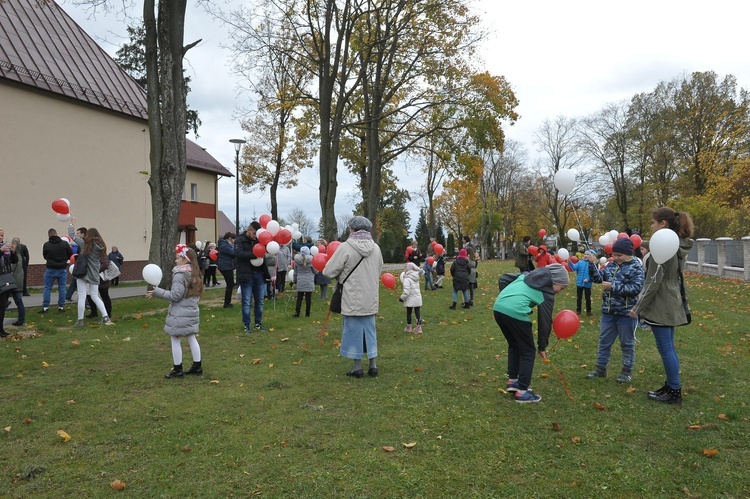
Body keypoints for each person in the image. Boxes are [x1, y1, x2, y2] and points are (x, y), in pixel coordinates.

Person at [635, 207, 694, 404]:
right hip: (670, 299)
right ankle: (671, 386)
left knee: (665, 347)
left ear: (663, 224)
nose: (651, 226)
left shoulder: (663, 247)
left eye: (653, 222)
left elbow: (652, 283)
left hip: (661, 303)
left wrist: (638, 308)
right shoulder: (676, 245)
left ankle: (674, 390)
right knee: (668, 347)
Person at [493, 263, 570, 403]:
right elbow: (545, 321)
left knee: (514, 345)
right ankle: (522, 392)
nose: (559, 291)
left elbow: (503, 278)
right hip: (516, 312)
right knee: (528, 351)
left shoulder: (525, 276)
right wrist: (542, 346)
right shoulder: (546, 292)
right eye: (561, 287)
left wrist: (507, 299)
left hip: (498, 308)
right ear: (554, 282)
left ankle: (513, 381)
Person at [323, 216, 383, 378]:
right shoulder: (376, 248)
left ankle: (357, 367)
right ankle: (373, 365)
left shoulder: (345, 247)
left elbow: (329, 271)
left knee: (353, 331)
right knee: (370, 331)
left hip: (351, 296)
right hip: (370, 296)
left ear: (352, 229)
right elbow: (379, 269)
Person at [585, 238, 645, 384]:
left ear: (628, 254)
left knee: (627, 344)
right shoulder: (611, 265)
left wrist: (613, 287)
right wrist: (592, 265)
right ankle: (600, 369)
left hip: (626, 313)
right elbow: (598, 278)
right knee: (604, 341)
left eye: (619, 255)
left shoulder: (636, 268)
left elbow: (635, 289)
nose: (616, 258)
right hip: (608, 311)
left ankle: (626, 372)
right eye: (614, 255)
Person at [147, 244, 203, 379]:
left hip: (180, 313)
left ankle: (177, 368)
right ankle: (197, 365)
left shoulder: (180, 274)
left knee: (175, 338)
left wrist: (157, 292)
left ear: (185, 259)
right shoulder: (194, 273)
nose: (175, 260)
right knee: (191, 337)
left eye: (178, 257)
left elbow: (175, 295)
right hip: (191, 311)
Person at [69, 223, 113, 326]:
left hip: (83, 273)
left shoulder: (85, 244)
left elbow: (71, 234)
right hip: (94, 273)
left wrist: (71, 223)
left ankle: (80, 320)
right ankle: (105, 317)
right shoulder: (102, 246)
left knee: (82, 296)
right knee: (95, 296)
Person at [235, 222, 271, 332]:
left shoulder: (258, 240)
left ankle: (258, 323)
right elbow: (239, 254)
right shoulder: (240, 240)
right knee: (246, 301)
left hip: (259, 273)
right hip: (246, 273)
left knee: (259, 300)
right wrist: (254, 254)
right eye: (254, 233)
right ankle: (247, 324)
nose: (256, 236)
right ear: (249, 230)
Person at [40, 228, 73, 314]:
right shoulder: (64, 244)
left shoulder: (46, 245)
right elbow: (70, 255)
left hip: (50, 268)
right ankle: (61, 307)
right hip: (62, 268)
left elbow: (45, 256)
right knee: (62, 288)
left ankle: (45, 307)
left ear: (49, 235)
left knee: (47, 288)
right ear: (56, 234)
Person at [85, 255, 115, 319]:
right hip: (93, 279)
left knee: (104, 296)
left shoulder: (102, 255)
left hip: (102, 280)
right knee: (90, 296)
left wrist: (95, 270)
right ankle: (94, 312)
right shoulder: (91, 254)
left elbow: (105, 264)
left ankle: (108, 313)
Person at [0, 238, 19, 338]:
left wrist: (13, 251)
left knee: (3, 306)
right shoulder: (2, 249)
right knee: (1, 304)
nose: (1, 238)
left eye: (2, 235)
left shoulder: (5, 249)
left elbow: (14, 261)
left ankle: (1, 329)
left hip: (5, 279)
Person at [400, 262, 424, 333]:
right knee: (417, 312)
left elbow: (406, 291)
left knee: (409, 312)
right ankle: (419, 328)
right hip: (417, 298)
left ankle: (409, 327)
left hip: (410, 298)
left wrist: (402, 298)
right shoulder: (416, 277)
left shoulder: (407, 279)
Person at [570, 249, 596, 316]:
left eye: (588, 254)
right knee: (579, 298)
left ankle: (589, 311)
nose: (586, 255)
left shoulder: (592, 264)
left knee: (588, 298)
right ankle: (578, 310)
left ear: (590, 256)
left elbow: (593, 275)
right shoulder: (580, 262)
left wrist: (588, 279)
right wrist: (569, 262)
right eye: (585, 254)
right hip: (579, 283)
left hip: (587, 284)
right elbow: (574, 268)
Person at [292, 246, 315, 317]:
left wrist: (294, 280)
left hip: (300, 280)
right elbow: (315, 271)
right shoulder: (312, 261)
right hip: (309, 280)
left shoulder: (297, 261)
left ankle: (297, 313)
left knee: (299, 298)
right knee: (308, 298)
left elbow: (295, 273)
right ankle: (307, 313)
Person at [9, 238, 26, 326]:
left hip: (14, 280)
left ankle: (21, 319)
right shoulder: (20, 255)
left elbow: (12, 267)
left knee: (18, 300)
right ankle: (21, 319)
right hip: (19, 279)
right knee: (18, 300)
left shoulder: (15, 256)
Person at [217, 232, 236, 308]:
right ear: (229, 239)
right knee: (230, 284)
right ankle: (227, 303)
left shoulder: (225, 245)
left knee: (230, 284)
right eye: (234, 240)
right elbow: (233, 253)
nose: (234, 241)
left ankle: (228, 302)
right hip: (226, 267)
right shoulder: (224, 246)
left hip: (227, 266)